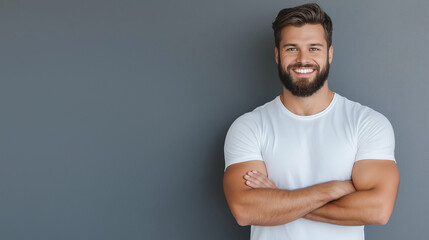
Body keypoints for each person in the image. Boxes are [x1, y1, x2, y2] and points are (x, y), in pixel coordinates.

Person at [223, 3, 399, 240]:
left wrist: (278, 198)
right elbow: (245, 210)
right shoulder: (249, 127)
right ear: (277, 55)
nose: (303, 59)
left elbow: (378, 210)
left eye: (314, 48)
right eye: (292, 48)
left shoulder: (367, 123)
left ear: (330, 54)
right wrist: (331, 190)